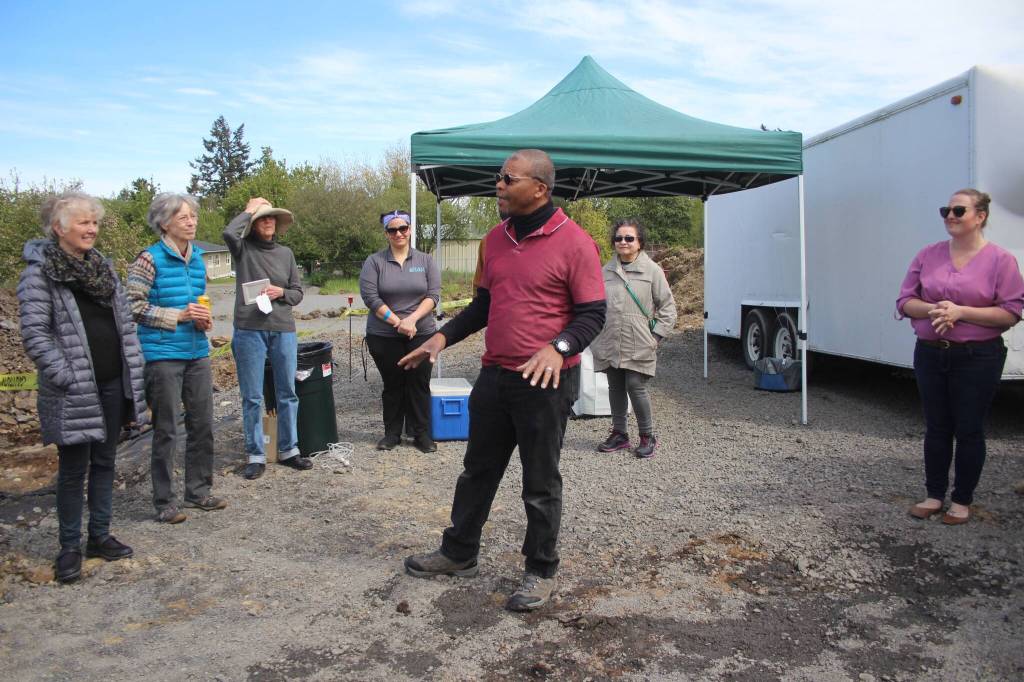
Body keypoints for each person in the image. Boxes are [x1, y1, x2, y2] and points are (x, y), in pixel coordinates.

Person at [400, 149, 606, 611]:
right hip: (495, 375)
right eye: (498, 177)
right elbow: (483, 307)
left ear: (539, 188)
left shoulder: (576, 242)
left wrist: (560, 348)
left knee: (539, 481)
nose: (498, 184)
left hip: (546, 382)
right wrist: (441, 339)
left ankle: (540, 570)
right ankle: (458, 553)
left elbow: (593, 313)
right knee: (477, 472)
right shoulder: (493, 241)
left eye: (507, 178)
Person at [18, 191, 148, 582]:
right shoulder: (40, 273)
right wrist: (67, 375)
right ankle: (69, 548)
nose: (91, 229)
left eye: (94, 222)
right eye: (83, 222)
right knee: (74, 470)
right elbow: (35, 334)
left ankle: (100, 536)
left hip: (112, 383)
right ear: (59, 227)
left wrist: (132, 368)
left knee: (106, 461)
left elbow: (124, 324)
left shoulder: (103, 269)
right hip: (73, 390)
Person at [896, 189, 1024, 525]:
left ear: (980, 216)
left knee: (968, 429)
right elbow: (905, 301)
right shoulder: (928, 255)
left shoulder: (1001, 261)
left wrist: (962, 312)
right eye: (946, 210)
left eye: (958, 210)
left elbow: (1011, 312)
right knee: (936, 427)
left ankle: (962, 500)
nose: (950, 216)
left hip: (978, 357)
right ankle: (933, 494)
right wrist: (937, 309)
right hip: (931, 354)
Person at [128, 193, 225, 523]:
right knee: (166, 429)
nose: (192, 221)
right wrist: (178, 316)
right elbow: (133, 306)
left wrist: (202, 319)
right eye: (183, 217)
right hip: (162, 355)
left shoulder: (197, 258)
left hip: (197, 351)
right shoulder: (149, 259)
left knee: (202, 426)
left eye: (193, 216)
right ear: (164, 222)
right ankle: (165, 502)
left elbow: (198, 303)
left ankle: (198, 492)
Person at [223, 197, 312, 480]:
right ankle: (256, 454)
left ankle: (289, 450)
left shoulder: (286, 254)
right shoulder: (243, 250)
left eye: (271, 217)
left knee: (287, 392)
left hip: (283, 328)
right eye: (262, 218)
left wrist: (280, 293)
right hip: (249, 329)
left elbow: (297, 292)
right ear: (253, 223)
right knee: (252, 396)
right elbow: (228, 233)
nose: (268, 221)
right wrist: (248, 209)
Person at [590, 219, 677, 458]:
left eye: (629, 238)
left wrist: (655, 336)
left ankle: (647, 436)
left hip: (639, 340)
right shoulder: (605, 271)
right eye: (619, 238)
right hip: (611, 339)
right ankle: (620, 434)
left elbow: (668, 308)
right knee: (615, 386)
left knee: (635, 386)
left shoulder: (652, 271)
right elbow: (596, 305)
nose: (623, 242)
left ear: (640, 243)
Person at [359, 210, 441, 453]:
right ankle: (392, 433)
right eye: (392, 230)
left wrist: (413, 319)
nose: (398, 233)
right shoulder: (374, 262)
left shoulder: (425, 261)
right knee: (393, 384)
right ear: (386, 233)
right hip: (383, 335)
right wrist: (398, 322)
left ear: (410, 229)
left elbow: (433, 295)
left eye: (403, 228)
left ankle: (421, 434)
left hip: (422, 332)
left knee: (419, 383)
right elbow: (371, 298)